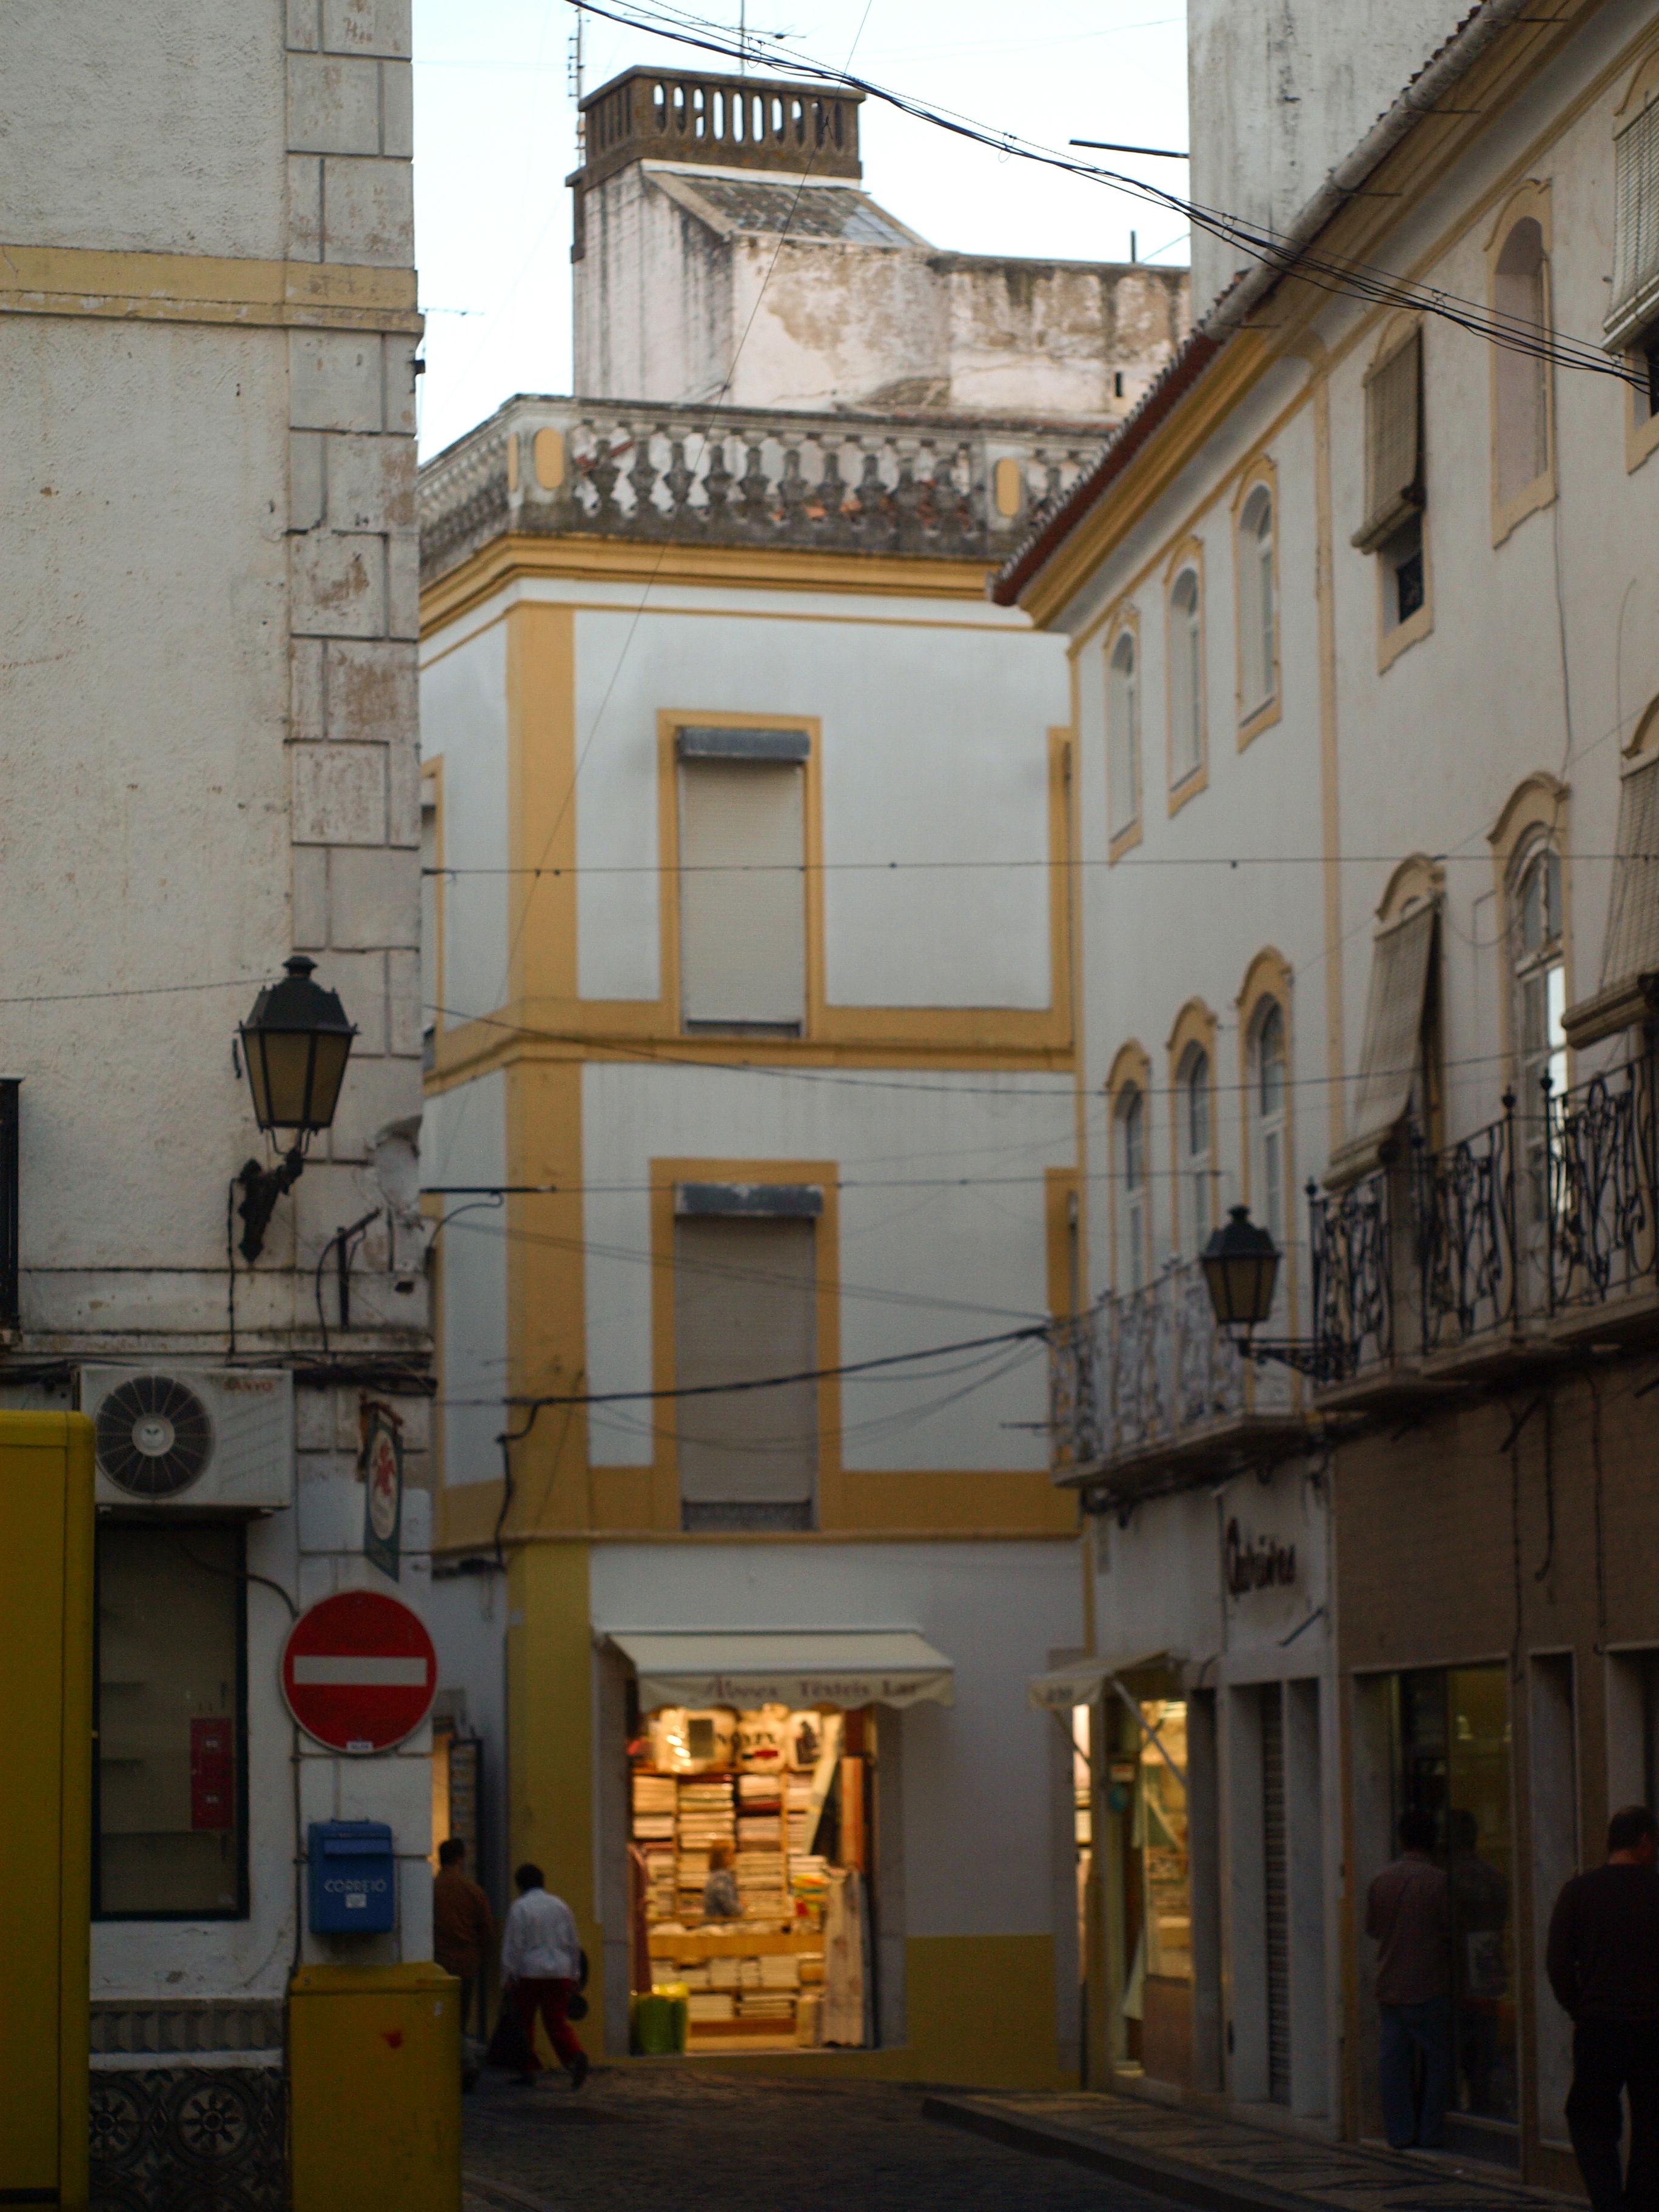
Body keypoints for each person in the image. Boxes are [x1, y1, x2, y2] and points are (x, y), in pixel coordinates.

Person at [1547, 1805, 1659, 2212]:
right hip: (1652, 2026)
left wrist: (1578, 2006)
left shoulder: (1579, 1892)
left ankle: (1608, 2201)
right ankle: (1641, 2201)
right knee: (1651, 2123)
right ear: (1644, 1842)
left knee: (1590, 2119)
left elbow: (1558, 1963)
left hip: (1600, 2026)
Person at [1367, 1808, 1451, 2150]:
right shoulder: (1438, 1881)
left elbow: (1372, 1929)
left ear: (1401, 1839)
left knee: (1394, 2065)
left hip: (1390, 1986)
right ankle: (1430, 2132)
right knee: (1438, 2062)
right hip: (1429, 1986)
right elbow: (1449, 1929)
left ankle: (1400, 2133)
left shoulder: (1381, 1880)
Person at [500, 1862, 589, 2090]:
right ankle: (574, 2055)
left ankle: (527, 2069)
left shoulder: (520, 1908)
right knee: (557, 2022)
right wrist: (575, 1974)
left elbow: (514, 1945)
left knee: (525, 2022)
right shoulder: (560, 1906)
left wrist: (509, 1975)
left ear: (520, 1885)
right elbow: (572, 1942)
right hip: (559, 1972)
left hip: (529, 1972)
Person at [432, 1837, 495, 2072]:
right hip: (466, 1963)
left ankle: (448, 2063)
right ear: (461, 1858)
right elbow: (486, 1930)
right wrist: (482, 1957)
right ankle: (465, 2064)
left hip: (437, 1963)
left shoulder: (433, 1889)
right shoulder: (473, 1891)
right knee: (460, 2018)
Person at [702, 1839, 740, 1922]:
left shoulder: (714, 1876)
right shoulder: (722, 1877)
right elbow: (731, 1907)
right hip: (721, 1926)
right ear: (724, 1856)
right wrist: (742, 1907)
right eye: (731, 1854)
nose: (734, 1857)